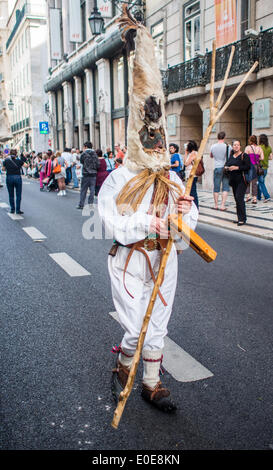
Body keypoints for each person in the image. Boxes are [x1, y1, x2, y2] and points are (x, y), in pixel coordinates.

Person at [98, 10, 198, 413]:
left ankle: (151, 383)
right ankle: (124, 365)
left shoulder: (172, 179)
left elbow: (186, 231)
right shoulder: (120, 179)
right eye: (150, 137)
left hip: (165, 258)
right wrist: (145, 221)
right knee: (136, 326)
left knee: (158, 323)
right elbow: (110, 219)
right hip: (131, 259)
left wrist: (186, 214)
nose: (157, 144)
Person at [224, 140, 251, 225]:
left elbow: (247, 166)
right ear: (233, 146)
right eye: (235, 145)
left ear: (240, 146)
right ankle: (240, 218)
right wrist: (227, 168)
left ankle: (243, 219)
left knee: (239, 198)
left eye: (238, 145)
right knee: (236, 199)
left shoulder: (244, 155)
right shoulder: (231, 156)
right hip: (233, 180)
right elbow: (226, 164)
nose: (236, 146)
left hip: (242, 180)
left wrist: (237, 168)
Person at [210, 131, 231, 210]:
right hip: (225, 168)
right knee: (225, 187)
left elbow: (211, 156)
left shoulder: (213, 146)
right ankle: (222, 205)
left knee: (216, 187)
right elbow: (229, 157)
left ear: (217, 137)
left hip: (217, 167)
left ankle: (216, 205)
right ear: (224, 137)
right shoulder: (228, 146)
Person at [2, 149, 27, 214]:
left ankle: (12, 209)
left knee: (11, 195)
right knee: (18, 194)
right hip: (17, 177)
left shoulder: (6, 161)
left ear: (10, 154)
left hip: (9, 177)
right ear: (16, 154)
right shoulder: (19, 161)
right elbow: (26, 165)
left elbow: (3, 169)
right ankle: (18, 210)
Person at [77, 142, 99, 209]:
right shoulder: (95, 154)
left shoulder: (84, 154)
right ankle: (90, 205)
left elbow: (81, 161)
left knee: (83, 190)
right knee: (92, 190)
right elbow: (97, 164)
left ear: (85, 147)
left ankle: (81, 204)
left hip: (86, 173)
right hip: (93, 174)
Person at [244, 135, 264, 204]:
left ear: (250, 140)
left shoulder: (248, 148)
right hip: (256, 166)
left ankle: (248, 196)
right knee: (254, 182)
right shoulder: (259, 148)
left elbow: (245, 157)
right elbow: (262, 158)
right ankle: (255, 198)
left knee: (247, 181)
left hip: (249, 166)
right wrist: (257, 159)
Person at [184, 140, 199, 209]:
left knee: (192, 191)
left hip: (192, 174)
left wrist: (185, 153)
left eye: (186, 145)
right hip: (190, 174)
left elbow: (186, 163)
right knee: (191, 190)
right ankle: (194, 206)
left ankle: (195, 207)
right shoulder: (193, 153)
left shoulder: (193, 153)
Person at [258, 134, 272, 202]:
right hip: (266, 168)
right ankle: (258, 197)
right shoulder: (269, 147)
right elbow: (271, 157)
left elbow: (257, 157)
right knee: (260, 182)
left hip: (260, 168)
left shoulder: (259, 147)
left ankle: (267, 196)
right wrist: (266, 158)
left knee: (261, 182)